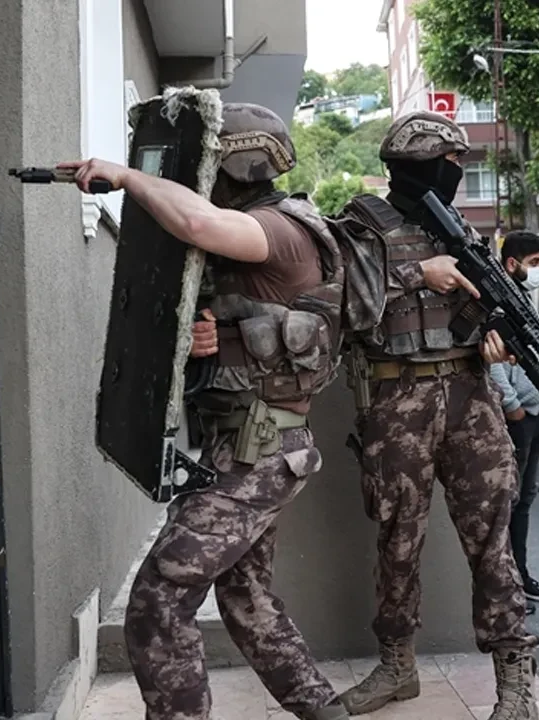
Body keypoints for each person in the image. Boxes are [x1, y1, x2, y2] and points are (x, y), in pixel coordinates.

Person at [60, 103, 350, 720]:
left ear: (240, 161)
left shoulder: (280, 226)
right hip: (248, 444)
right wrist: (204, 345)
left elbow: (196, 223)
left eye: (210, 159)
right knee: (247, 598)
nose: (203, 174)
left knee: (158, 599)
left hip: (260, 449)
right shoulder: (252, 228)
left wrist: (131, 176)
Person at [335, 111, 539, 720]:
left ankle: (515, 680)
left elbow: (493, 306)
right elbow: (336, 297)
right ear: (422, 165)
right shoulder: (360, 223)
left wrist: (493, 334)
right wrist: (414, 273)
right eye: (450, 164)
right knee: (398, 539)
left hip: (471, 398)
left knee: (492, 544)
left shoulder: (463, 234)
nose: (457, 175)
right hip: (397, 399)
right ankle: (397, 668)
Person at [488, 230, 539, 615]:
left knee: (526, 499)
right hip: (520, 415)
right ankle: (508, 584)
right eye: (534, 264)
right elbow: (494, 359)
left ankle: (521, 575)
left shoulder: (524, 297)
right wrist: (513, 405)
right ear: (512, 264)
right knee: (510, 501)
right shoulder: (499, 299)